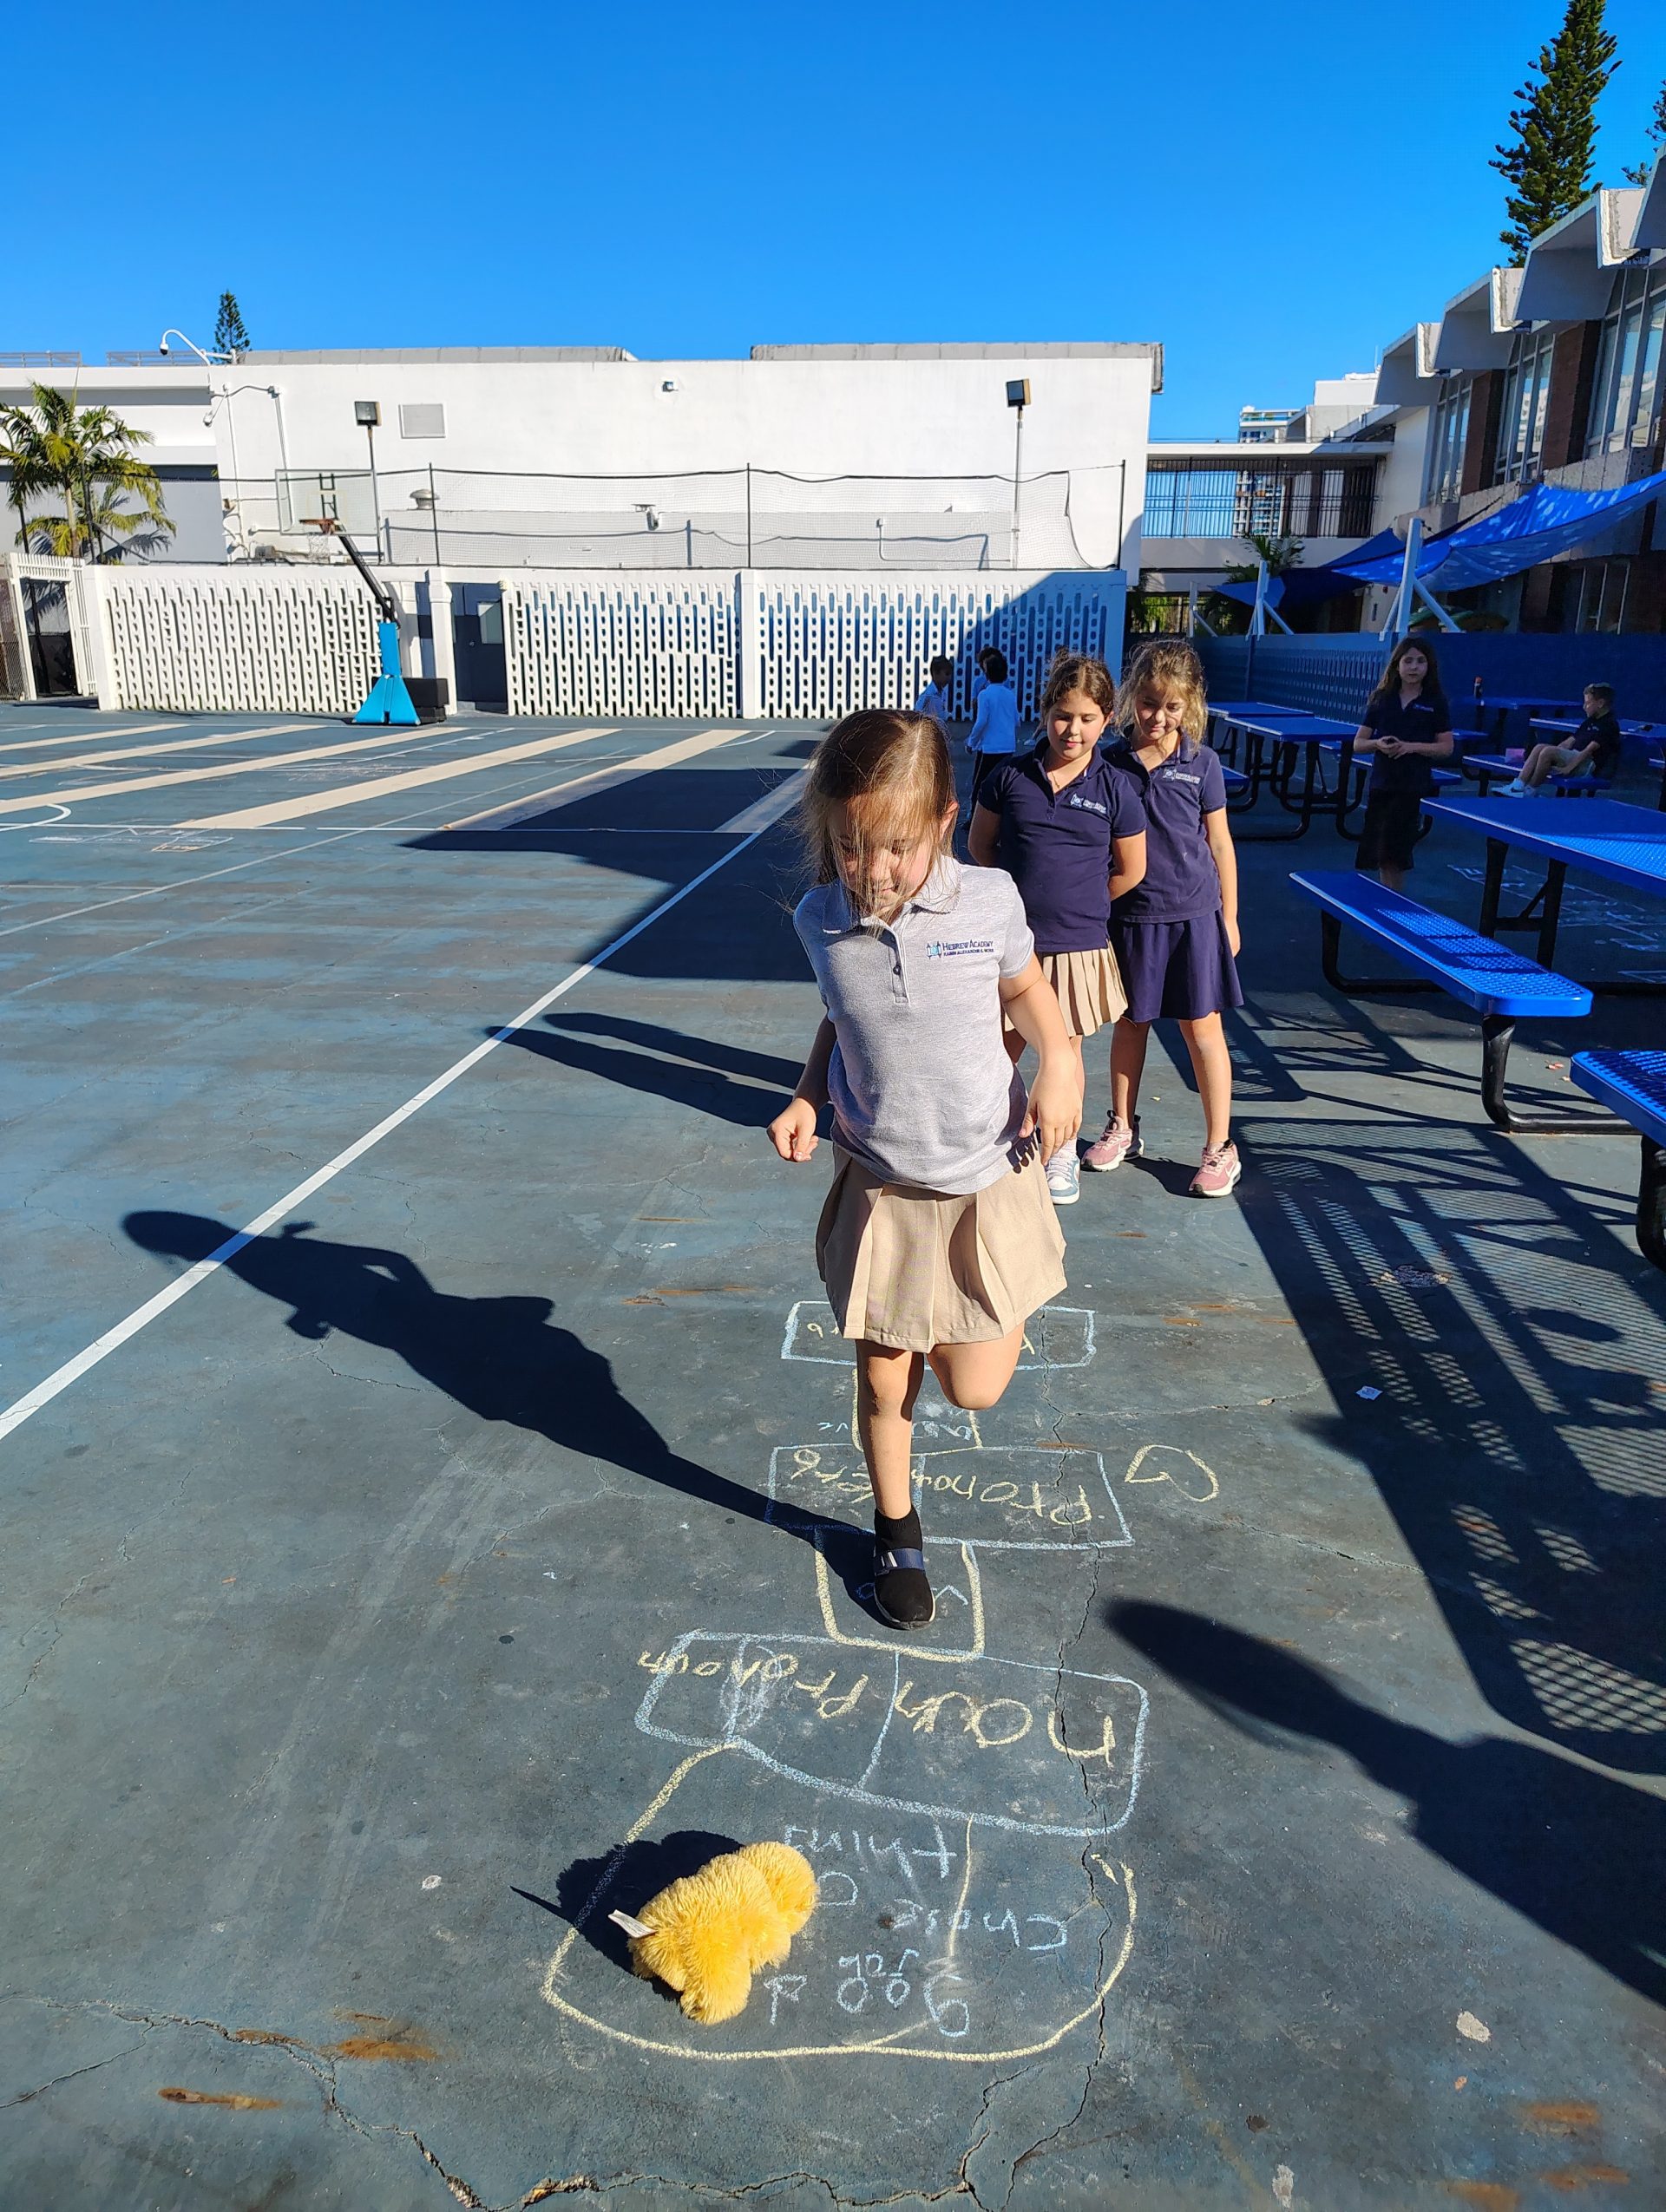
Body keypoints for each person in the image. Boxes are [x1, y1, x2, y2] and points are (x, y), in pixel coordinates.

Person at [769, 710, 1080, 1631]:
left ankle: (952, 1323)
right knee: (882, 1380)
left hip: (986, 1175)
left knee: (973, 1387)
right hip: (883, 1183)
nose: (872, 871)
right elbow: (842, 1015)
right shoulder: (819, 918)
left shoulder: (988, 901)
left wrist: (1062, 1062)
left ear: (945, 821)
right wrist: (807, 1094)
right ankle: (895, 1531)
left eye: (896, 847)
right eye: (850, 845)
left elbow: (1027, 989)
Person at [967, 651, 1147, 1207]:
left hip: (1076, 947)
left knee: (1063, 1053)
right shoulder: (1008, 777)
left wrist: (1085, 905)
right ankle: (983, 1142)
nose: (1073, 729)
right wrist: (1011, 910)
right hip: (1009, 948)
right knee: (997, 1047)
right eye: (1063, 716)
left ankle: (1060, 1151)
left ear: (1108, 719)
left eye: (1088, 718)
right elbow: (980, 847)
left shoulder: (1116, 788)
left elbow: (1131, 870)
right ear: (1045, 712)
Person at [1081, 638, 1244, 1200]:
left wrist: (1230, 917)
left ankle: (1220, 1146)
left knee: (1202, 1030)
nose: (1158, 717)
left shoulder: (1203, 763)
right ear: (1132, 698)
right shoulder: (1109, 762)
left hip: (1194, 916)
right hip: (1129, 919)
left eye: (1172, 706)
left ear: (1190, 705)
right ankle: (1122, 1127)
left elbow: (1220, 843)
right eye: (1149, 703)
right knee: (1130, 1025)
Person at [1349, 638, 1455, 889]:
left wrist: (1410, 747)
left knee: (1395, 853)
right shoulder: (1382, 699)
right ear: (1397, 665)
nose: (1414, 667)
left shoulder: (1435, 702)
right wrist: (1378, 744)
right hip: (1382, 783)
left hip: (1412, 785)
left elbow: (1446, 747)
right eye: (1408, 661)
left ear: (1429, 666)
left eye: (1420, 661)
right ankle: (1388, 898)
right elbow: (1358, 743)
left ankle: (1393, 901)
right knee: (1380, 853)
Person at [1508, 684, 1622, 794]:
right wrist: (1554, 753)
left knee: (1548, 752)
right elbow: (1570, 742)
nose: (1584, 707)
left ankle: (1530, 790)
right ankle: (1518, 785)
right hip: (1574, 756)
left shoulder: (1609, 724)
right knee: (1540, 747)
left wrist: (1568, 768)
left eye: (1588, 703)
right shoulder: (1590, 721)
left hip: (1588, 765)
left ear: (1600, 703)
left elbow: (1588, 751)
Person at [965, 647, 1019, 810]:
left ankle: (974, 816)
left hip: (989, 748)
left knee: (979, 784)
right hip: (1008, 747)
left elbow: (981, 722)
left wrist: (971, 742)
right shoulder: (1010, 694)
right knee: (1003, 783)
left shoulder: (984, 695)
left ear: (986, 674)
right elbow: (1017, 721)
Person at [913, 654, 954, 730]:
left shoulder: (942, 693)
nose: (949, 677)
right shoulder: (928, 694)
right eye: (947, 674)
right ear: (936, 673)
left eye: (950, 674)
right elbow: (917, 712)